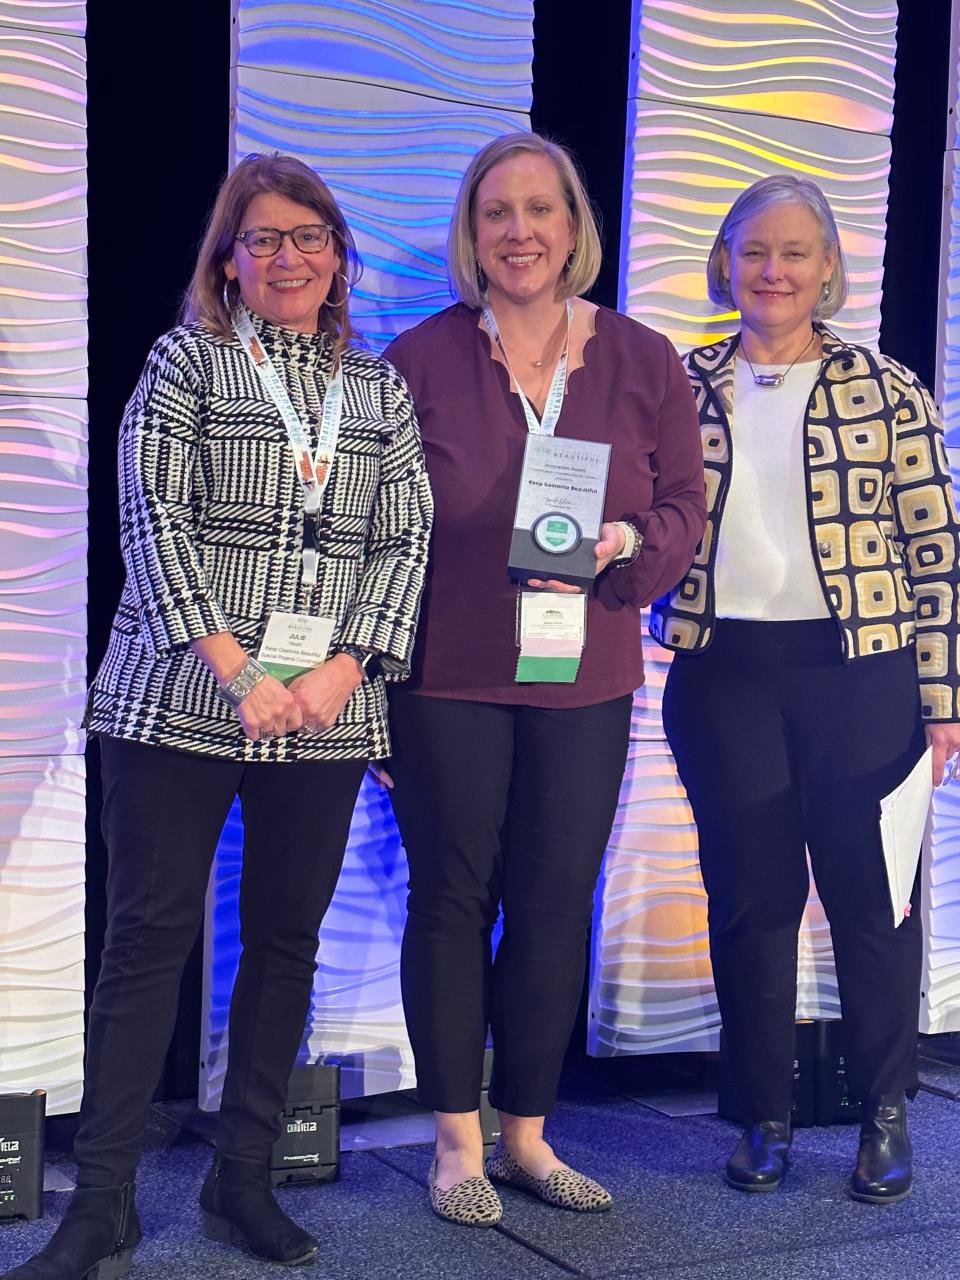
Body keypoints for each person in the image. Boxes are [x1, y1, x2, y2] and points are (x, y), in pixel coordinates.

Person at [5, 153, 431, 1280]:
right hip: (178, 692)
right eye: (262, 239)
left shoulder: (377, 388)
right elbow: (153, 521)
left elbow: (405, 542)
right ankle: (100, 1202)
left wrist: (343, 671)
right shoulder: (184, 360)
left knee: (286, 939)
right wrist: (241, 671)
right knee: (147, 941)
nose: (286, 256)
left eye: (307, 236)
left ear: (338, 253)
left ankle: (241, 1175)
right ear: (228, 259)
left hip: (326, 707)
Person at [380, 131, 706, 1227]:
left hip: (586, 672)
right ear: (472, 236)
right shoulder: (417, 359)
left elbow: (682, 516)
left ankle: (527, 1131)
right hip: (446, 673)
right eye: (495, 213)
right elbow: (377, 532)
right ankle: (455, 1142)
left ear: (575, 228)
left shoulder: (644, 359)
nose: (518, 232)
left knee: (558, 905)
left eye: (540, 210)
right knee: (453, 897)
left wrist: (625, 544)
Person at [654, 173, 960, 1204]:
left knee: (876, 904)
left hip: (864, 680)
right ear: (725, 264)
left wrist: (944, 696)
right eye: (754, 251)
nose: (773, 270)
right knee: (751, 904)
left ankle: (884, 1113)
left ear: (829, 268)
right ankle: (764, 1116)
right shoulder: (679, 383)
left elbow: (936, 553)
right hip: (724, 679)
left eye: (795, 252)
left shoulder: (888, 387)